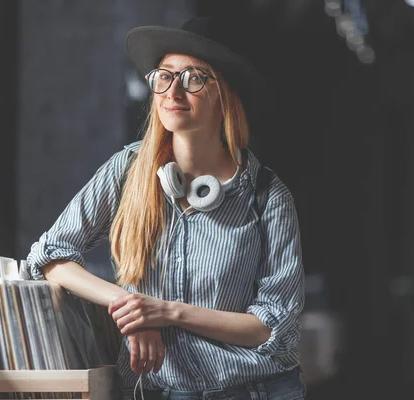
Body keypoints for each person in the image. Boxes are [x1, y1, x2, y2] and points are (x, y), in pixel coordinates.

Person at [26, 16, 305, 400]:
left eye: (193, 78)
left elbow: (272, 326)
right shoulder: (127, 171)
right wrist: (131, 308)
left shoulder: (268, 197)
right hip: (155, 392)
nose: (173, 92)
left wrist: (165, 312)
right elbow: (48, 257)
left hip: (254, 390)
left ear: (225, 95)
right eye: (164, 76)